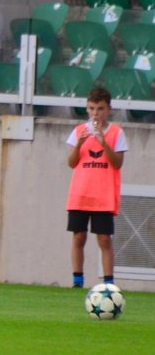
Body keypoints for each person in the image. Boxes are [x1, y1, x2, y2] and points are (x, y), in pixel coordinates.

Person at [65, 87, 128, 289]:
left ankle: (108, 282)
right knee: (79, 236)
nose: (95, 114)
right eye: (92, 109)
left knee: (104, 239)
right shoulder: (78, 131)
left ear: (108, 109)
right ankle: (77, 280)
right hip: (81, 193)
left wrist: (103, 142)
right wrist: (79, 143)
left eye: (100, 109)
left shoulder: (116, 132)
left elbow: (117, 163)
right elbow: (72, 162)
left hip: (103, 195)